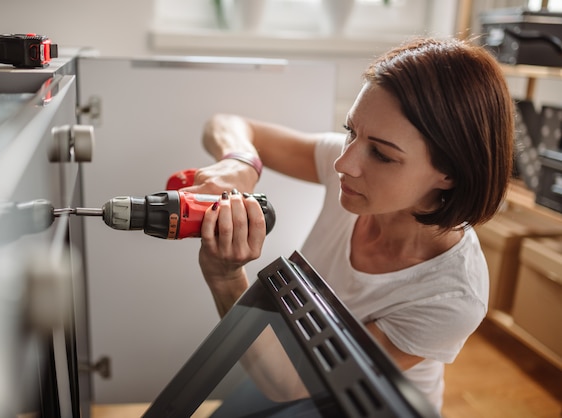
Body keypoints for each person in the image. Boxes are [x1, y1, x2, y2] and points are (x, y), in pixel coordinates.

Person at [180, 37, 515, 412]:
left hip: (368, 403)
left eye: (382, 155)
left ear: (449, 173)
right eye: (350, 131)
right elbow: (226, 123)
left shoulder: (453, 295)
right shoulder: (359, 178)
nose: (344, 163)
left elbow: (291, 381)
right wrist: (240, 162)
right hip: (295, 359)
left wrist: (226, 278)